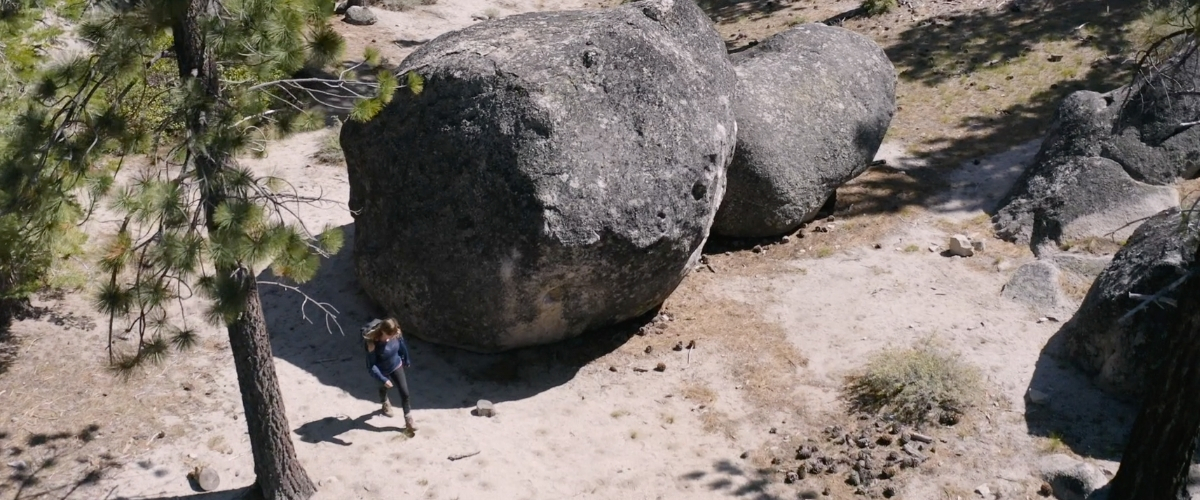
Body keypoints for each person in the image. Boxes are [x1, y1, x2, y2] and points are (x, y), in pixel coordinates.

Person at [363, 318, 415, 433]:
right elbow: (371, 366)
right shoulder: (372, 344)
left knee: (405, 392)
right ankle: (385, 402)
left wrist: (406, 359)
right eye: (390, 335)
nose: (393, 337)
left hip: (396, 365)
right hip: (382, 371)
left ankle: (408, 418)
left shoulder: (395, 333)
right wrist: (383, 379)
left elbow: (401, 345)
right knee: (383, 388)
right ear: (383, 332)